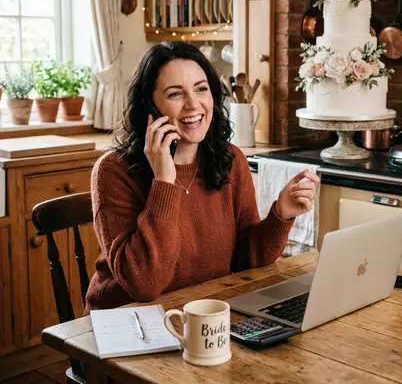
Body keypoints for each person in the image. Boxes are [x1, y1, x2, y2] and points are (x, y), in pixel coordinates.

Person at [84, 41, 320, 313]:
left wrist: (281, 214)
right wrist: (164, 181)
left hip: (203, 313)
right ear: (150, 106)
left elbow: (247, 259)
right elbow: (144, 284)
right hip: (127, 324)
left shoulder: (230, 159)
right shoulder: (113, 171)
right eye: (175, 94)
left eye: (201, 89)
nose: (193, 104)